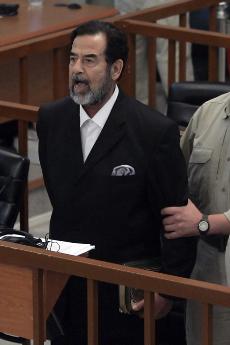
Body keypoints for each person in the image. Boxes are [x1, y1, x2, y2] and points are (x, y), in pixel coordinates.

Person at [36, 20, 196, 345]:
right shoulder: (51, 120)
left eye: (89, 60)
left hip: (128, 298)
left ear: (116, 68)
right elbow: (62, 198)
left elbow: (176, 221)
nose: (77, 70)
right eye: (72, 59)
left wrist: (169, 289)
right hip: (67, 289)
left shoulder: (153, 132)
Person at [160, 92, 230, 345]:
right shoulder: (207, 114)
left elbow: (197, 220)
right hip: (208, 268)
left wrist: (204, 223)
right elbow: (175, 182)